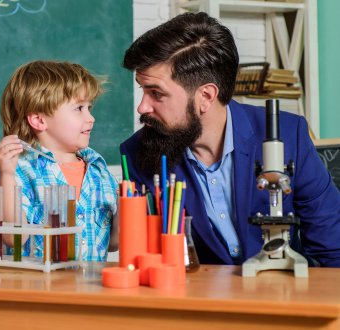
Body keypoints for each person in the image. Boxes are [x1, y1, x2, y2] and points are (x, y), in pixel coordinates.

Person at [120, 12, 340, 267]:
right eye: (143, 90)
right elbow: (146, 262)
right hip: (198, 301)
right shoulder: (137, 154)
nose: (142, 107)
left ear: (206, 96)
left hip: (284, 296)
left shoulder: (290, 135)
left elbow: (332, 249)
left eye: (156, 93)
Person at [0, 60, 118, 261]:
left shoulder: (99, 171)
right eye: (79, 108)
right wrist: (8, 175)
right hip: (37, 291)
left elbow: (113, 244)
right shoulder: (16, 170)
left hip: (90, 290)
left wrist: (127, 210)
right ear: (39, 120)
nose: (91, 118)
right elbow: (14, 238)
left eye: (89, 107)